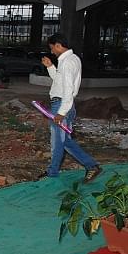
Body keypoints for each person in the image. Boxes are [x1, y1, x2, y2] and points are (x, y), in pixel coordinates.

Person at [40, 33, 101, 183]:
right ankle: (90, 166)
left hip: (61, 104)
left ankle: (53, 172)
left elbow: (68, 90)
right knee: (64, 141)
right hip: (65, 104)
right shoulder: (71, 59)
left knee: (58, 142)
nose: (52, 51)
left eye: (52, 48)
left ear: (58, 45)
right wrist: (51, 67)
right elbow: (60, 82)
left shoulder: (67, 62)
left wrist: (61, 113)